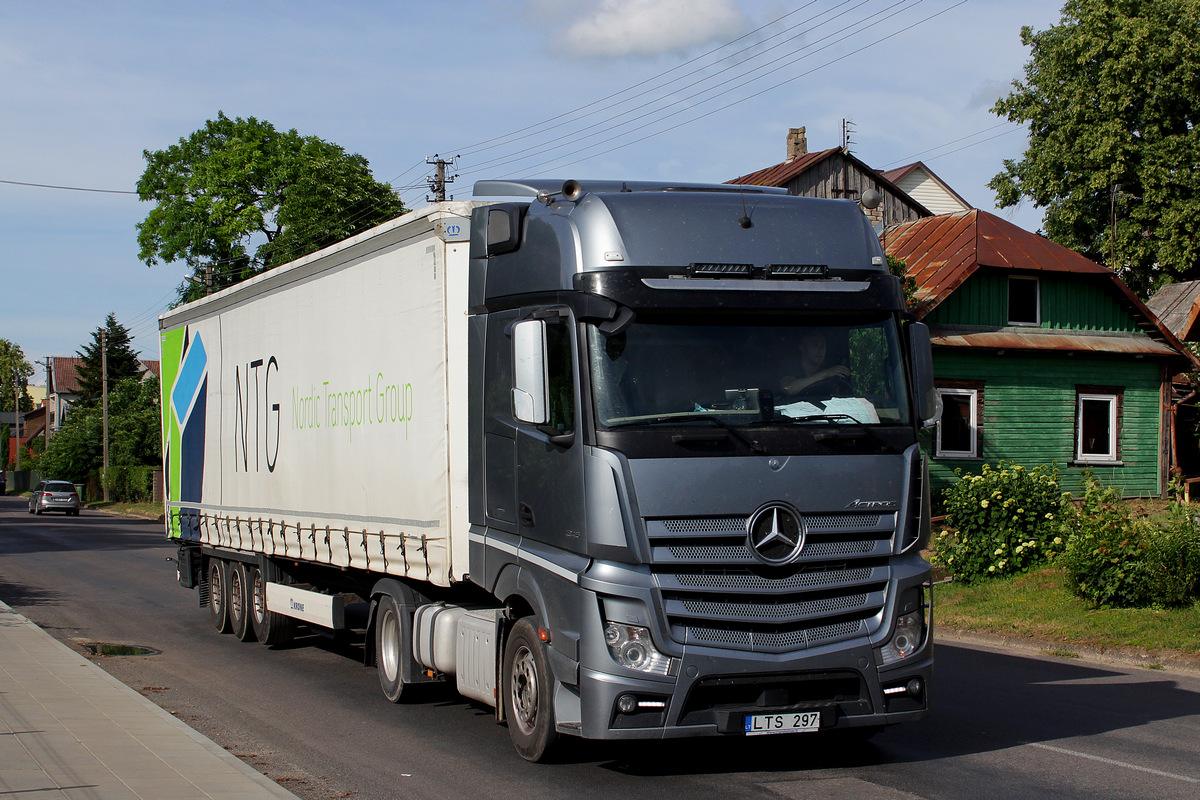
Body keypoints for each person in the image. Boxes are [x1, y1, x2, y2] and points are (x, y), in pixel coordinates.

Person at [780, 330, 850, 396]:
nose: (820, 349)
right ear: (803, 348)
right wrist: (823, 375)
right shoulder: (791, 370)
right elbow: (789, 389)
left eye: (823, 345)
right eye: (815, 345)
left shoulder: (830, 372)